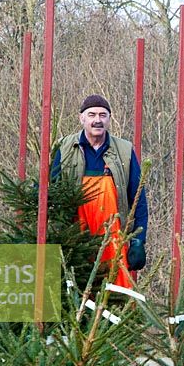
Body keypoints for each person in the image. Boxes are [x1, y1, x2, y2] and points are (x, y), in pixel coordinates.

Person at [51, 94, 147, 287]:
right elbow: (51, 192)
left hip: (114, 242)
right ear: (82, 118)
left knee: (118, 296)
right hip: (77, 241)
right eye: (92, 114)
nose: (97, 120)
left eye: (103, 115)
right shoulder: (65, 148)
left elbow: (138, 200)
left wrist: (138, 241)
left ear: (109, 119)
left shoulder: (125, 150)